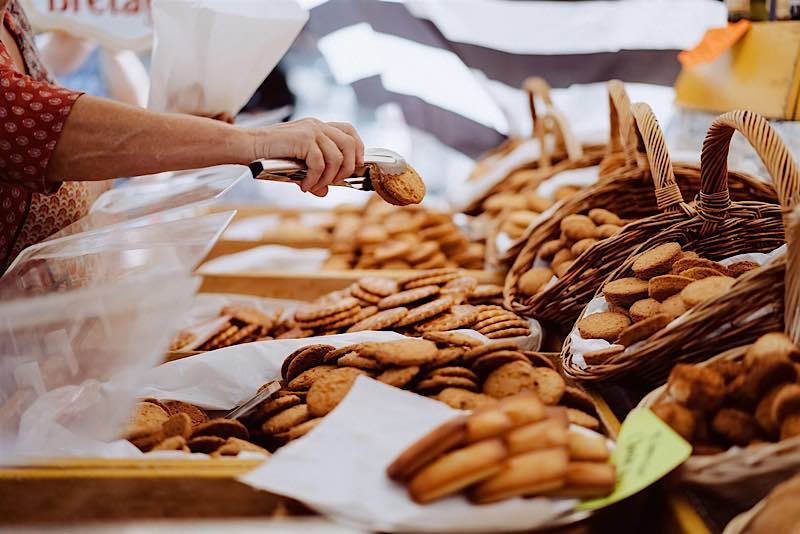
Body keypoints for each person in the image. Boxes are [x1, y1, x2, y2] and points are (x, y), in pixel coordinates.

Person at [0, 0, 363, 271]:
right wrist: (253, 142)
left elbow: (67, 154)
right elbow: (39, 125)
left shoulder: (12, 16)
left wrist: (183, 134)